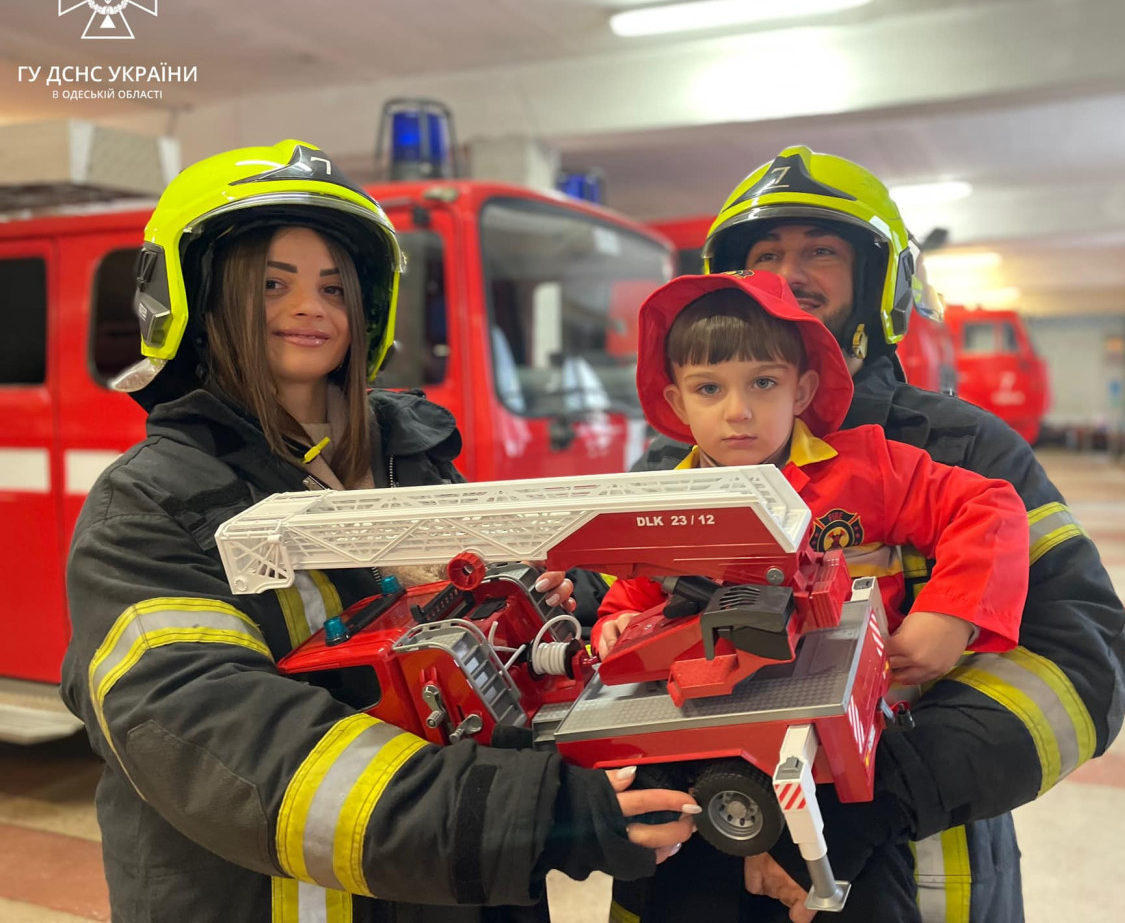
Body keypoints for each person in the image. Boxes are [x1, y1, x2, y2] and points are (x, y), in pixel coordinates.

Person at [58, 140, 696, 923]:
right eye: (272, 284)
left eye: (334, 286)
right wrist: (532, 817)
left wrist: (563, 600)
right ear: (197, 299)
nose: (310, 307)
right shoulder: (149, 507)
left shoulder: (411, 460)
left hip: (450, 893)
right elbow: (223, 742)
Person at [608, 147, 1125, 923]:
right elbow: (617, 616)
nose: (789, 272)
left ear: (880, 281)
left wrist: (874, 800)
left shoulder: (957, 448)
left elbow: (1077, 662)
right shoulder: (664, 471)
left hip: (897, 848)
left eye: (821, 251)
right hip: (695, 855)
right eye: (765, 255)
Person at [592, 269, 1030, 693]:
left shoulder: (869, 469)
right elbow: (628, 603)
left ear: (801, 392)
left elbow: (988, 508)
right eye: (708, 389)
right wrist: (616, 628)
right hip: (715, 710)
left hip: (867, 700)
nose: (738, 411)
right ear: (678, 403)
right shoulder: (663, 508)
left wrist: (951, 616)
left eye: (763, 382)